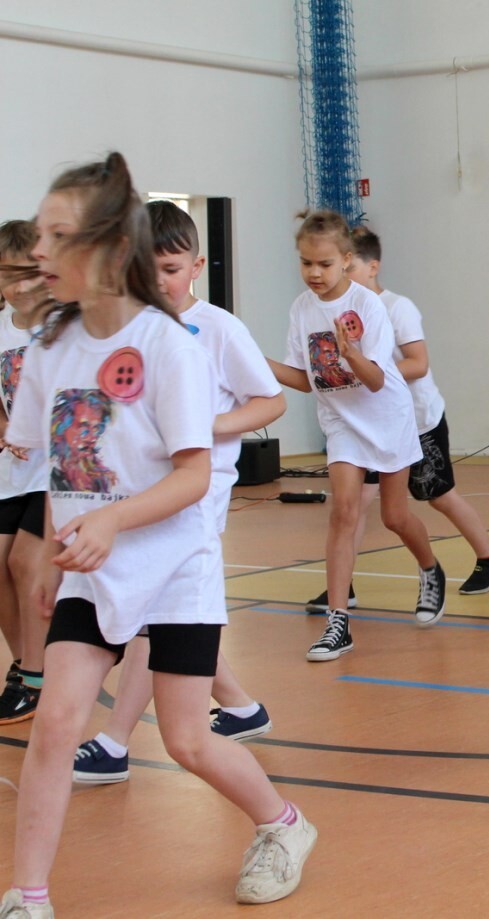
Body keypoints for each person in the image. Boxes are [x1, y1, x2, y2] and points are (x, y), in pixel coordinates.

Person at [1, 153, 314, 916]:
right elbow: (58, 463)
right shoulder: (49, 349)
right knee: (56, 725)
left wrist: (111, 518)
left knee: (186, 740)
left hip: (175, 564)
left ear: (111, 250)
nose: (37, 250)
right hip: (92, 569)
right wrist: (51, 557)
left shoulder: (171, 346)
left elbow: (192, 476)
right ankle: (27, 895)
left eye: (56, 234)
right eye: (38, 233)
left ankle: (284, 823)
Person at [69, 201, 286, 785]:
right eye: (146, 268)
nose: (158, 280)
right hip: (140, 496)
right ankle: (240, 707)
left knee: (155, 615)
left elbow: (271, 401)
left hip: (196, 494)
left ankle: (114, 742)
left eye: (169, 269)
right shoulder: (128, 331)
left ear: (196, 266)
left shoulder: (218, 328)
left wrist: (205, 426)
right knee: (177, 618)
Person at [297, 226, 489, 611]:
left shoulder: (395, 307)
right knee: (351, 507)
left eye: (340, 266)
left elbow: (418, 364)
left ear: (367, 266)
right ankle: (342, 587)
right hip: (360, 421)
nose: (322, 274)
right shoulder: (315, 308)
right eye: (309, 263)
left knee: (436, 497)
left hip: (416, 418)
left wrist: (360, 368)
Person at [268, 211, 440, 660]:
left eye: (324, 264)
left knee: (395, 516)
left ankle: (430, 568)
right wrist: (256, 361)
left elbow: (378, 380)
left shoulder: (368, 306)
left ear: (346, 259)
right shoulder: (301, 309)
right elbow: (306, 379)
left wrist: (349, 353)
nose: (314, 273)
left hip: (387, 417)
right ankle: (338, 622)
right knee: (343, 512)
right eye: (306, 263)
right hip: (341, 421)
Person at [0, 220, 49, 724]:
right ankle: (24, 663)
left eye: (26, 273)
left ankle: (36, 676)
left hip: (54, 473)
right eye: (6, 275)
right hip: (13, 472)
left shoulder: (62, 326)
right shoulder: (2, 328)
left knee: (24, 564)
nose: (18, 287)